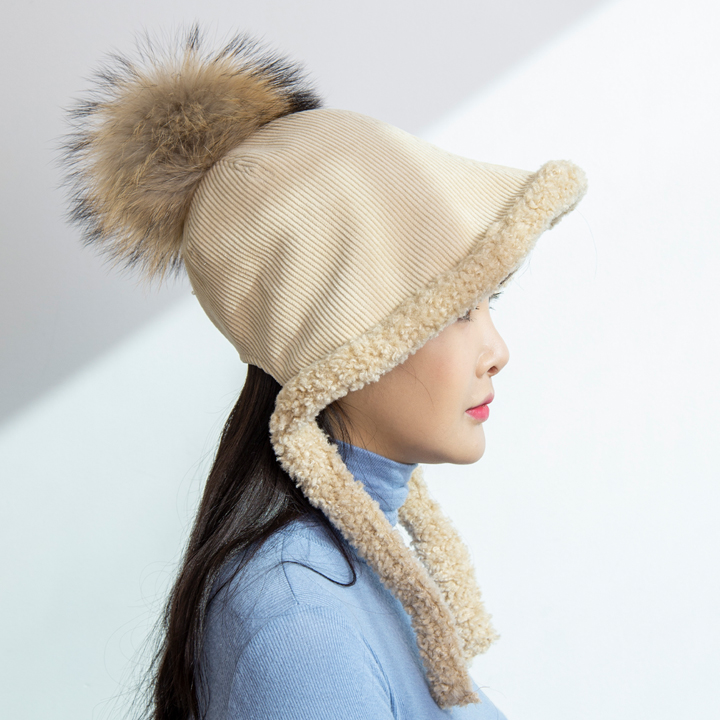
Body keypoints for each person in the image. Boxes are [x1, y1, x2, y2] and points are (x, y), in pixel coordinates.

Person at [62, 28, 586, 720]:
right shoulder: (298, 619)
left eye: (491, 303)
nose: (497, 351)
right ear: (343, 341)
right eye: (457, 310)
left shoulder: (343, 578)